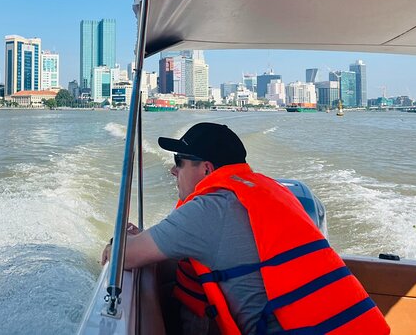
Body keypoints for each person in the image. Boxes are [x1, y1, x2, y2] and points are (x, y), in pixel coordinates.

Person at [101, 122, 389, 335]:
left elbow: (121, 257)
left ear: (207, 170)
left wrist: (122, 238)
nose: (173, 171)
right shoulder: (269, 191)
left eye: (180, 162)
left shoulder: (209, 210)